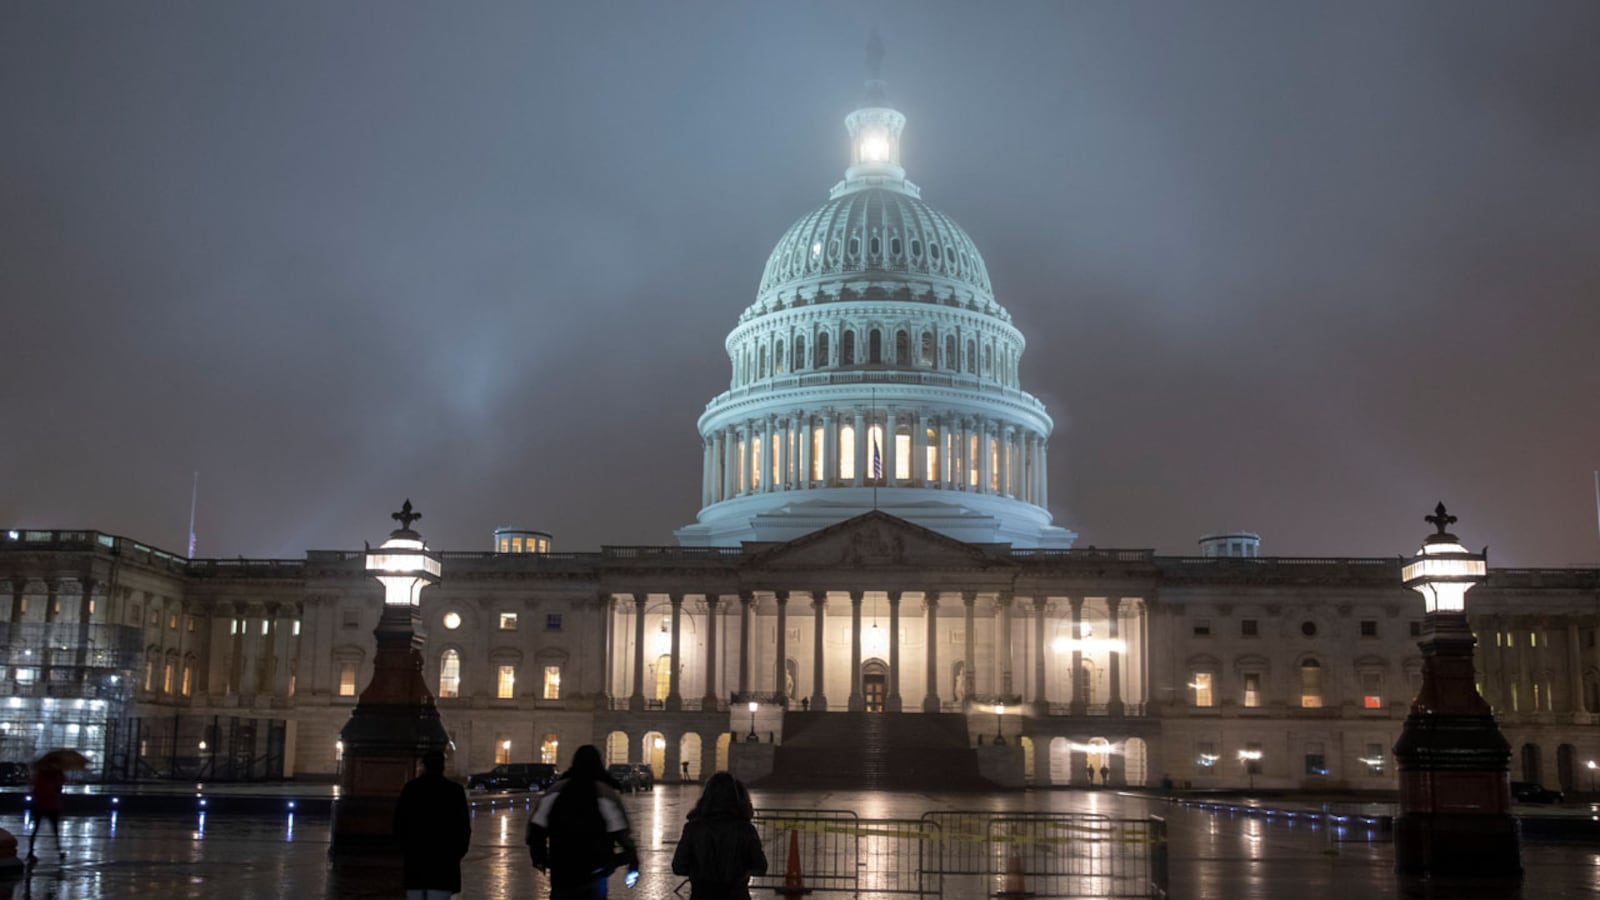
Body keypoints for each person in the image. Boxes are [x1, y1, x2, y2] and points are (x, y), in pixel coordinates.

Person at [527, 745, 640, 899]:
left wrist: (538, 856)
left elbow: (536, 827)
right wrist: (632, 861)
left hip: (562, 866)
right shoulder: (604, 792)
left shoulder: (556, 790)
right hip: (595, 867)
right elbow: (620, 830)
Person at [671, 772, 767, 900]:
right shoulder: (745, 829)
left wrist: (698, 871)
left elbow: (679, 866)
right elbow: (760, 866)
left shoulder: (693, 828)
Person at [392, 750, 471, 900]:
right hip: (444, 861)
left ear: (424, 766)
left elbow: (399, 823)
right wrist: (457, 853)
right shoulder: (454, 790)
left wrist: (405, 849)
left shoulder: (411, 788)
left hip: (415, 859)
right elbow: (463, 827)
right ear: (443, 766)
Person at [27, 760, 65, 864]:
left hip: (40, 806)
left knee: (36, 829)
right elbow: (59, 788)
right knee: (55, 830)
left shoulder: (40, 776)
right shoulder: (54, 776)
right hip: (51, 806)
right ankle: (59, 850)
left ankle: (30, 851)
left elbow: (35, 791)